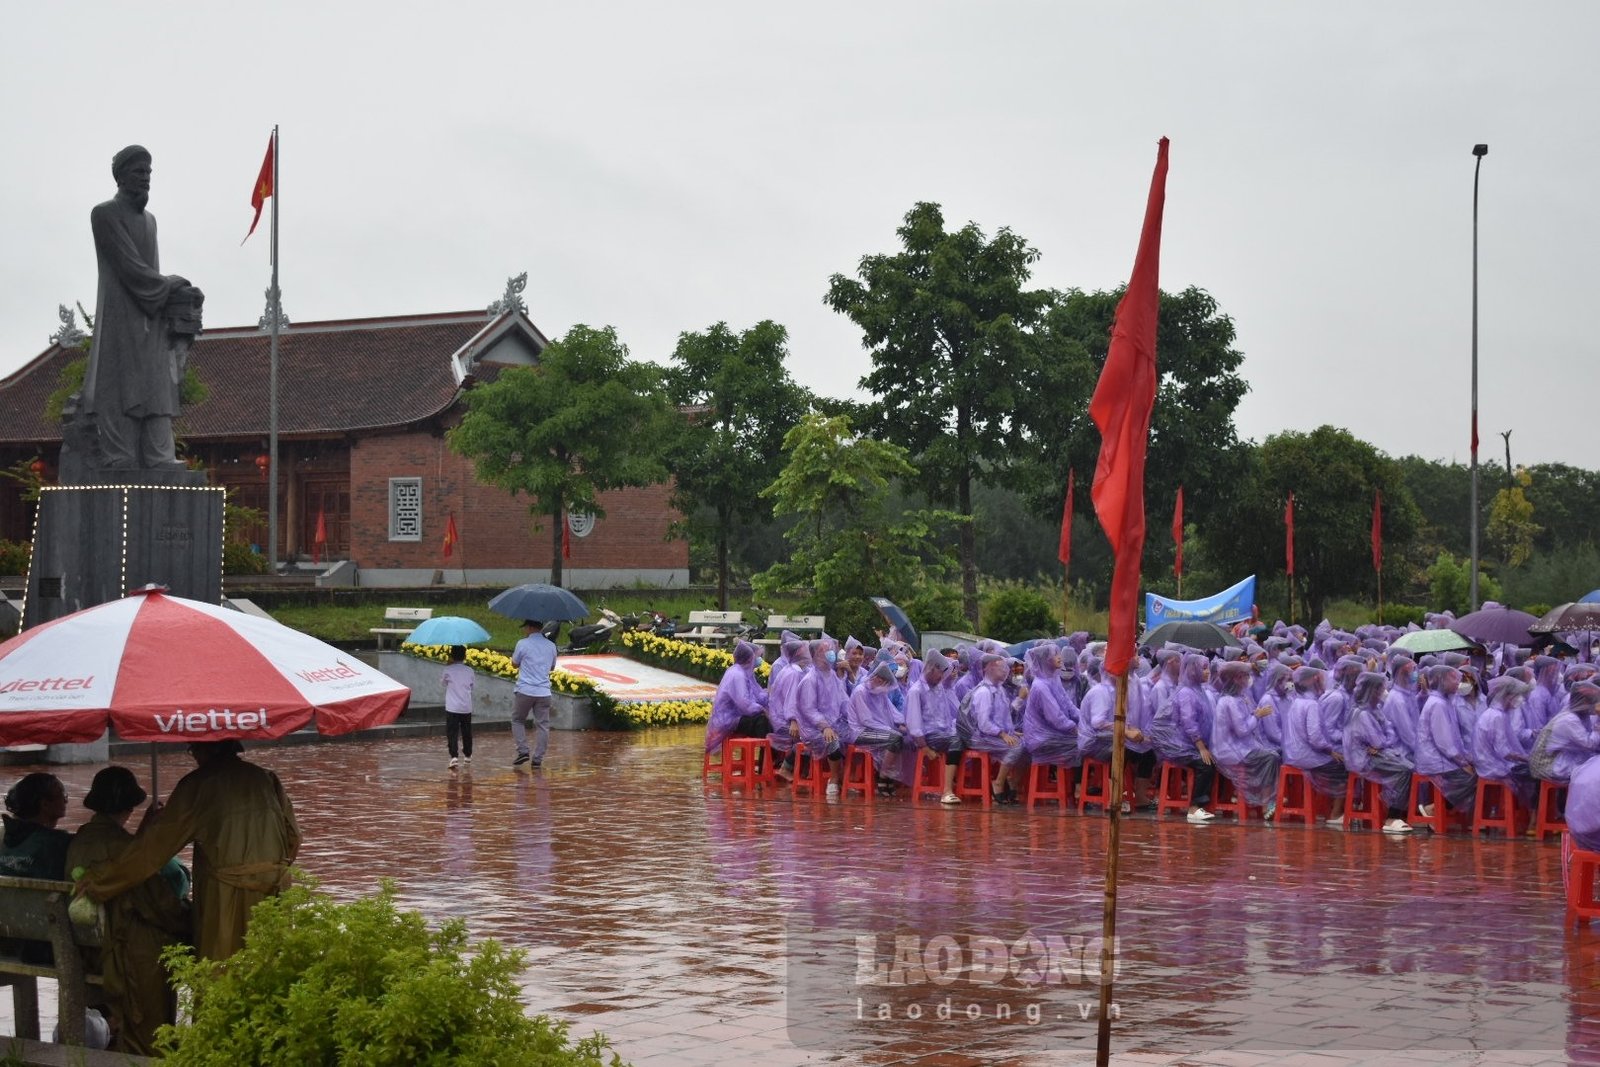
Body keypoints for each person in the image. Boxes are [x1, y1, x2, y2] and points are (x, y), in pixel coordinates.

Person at [81, 741, 299, 962]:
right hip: (276, 890)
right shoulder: (267, 778)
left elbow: (153, 850)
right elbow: (294, 838)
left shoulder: (197, 785)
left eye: (193, 751)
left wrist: (99, 880)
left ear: (204, 750)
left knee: (222, 969)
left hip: (225, 896)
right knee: (273, 967)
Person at [80, 144, 201, 472]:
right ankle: (121, 452)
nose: (145, 178)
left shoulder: (150, 221)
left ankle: (158, 453)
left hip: (151, 314)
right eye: (138, 171)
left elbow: (150, 274)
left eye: (149, 172)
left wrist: (173, 292)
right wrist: (169, 283)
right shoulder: (104, 214)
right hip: (121, 313)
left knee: (155, 381)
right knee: (119, 381)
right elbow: (130, 268)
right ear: (120, 176)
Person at [65, 767, 190, 1056]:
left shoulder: (80, 840)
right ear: (130, 806)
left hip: (87, 949)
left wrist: (142, 837)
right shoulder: (124, 850)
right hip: (124, 951)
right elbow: (160, 906)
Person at [1344, 672, 1414, 834]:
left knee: (1408, 765)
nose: (1384, 692)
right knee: (1404, 770)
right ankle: (1392, 817)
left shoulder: (1374, 710)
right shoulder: (1362, 713)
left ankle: (1396, 810)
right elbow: (1378, 741)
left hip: (1375, 754)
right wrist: (1384, 739)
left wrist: (1384, 739)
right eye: (1381, 689)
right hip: (1364, 759)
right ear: (1373, 691)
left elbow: (1389, 733)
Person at [1211, 661, 1282, 816]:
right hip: (1229, 749)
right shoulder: (1228, 701)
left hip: (1241, 746)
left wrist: (1255, 714)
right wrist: (1257, 716)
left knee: (1272, 753)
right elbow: (1242, 730)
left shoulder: (1240, 697)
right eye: (1245, 676)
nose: (1248, 679)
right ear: (1236, 678)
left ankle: (1267, 799)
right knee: (1271, 757)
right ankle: (1266, 803)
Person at [905, 651, 962, 805]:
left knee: (965, 738)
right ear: (931, 668)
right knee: (956, 741)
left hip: (943, 733)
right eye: (940, 673)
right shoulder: (916, 691)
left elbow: (946, 716)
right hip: (928, 736)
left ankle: (955, 784)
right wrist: (924, 747)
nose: (942, 678)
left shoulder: (938, 689)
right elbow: (914, 724)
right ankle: (947, 790)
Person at [705, 640, 770, 757]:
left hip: (735, 716)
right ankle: (765, 765)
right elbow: (745, 704)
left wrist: (770, 695)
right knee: (763, 723)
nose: (759, 660)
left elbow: (757, 695)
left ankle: (767, 762)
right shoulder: (738, 675)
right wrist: (762, 709)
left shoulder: (745, 672)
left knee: (767, 720)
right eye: (757, 656)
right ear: (749, 658)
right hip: (729, 720)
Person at [0, 773, 71, 879]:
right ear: (45, 804)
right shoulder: (60, 842)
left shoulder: (3, 834)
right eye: (62, 796)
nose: (66, 801)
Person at [510, 619, 557, 768]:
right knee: (543, 725)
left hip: (525, 690)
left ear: (530, 627)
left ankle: (523, 750)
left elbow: (514, 663)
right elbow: (552, 668)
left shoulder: (522, 644)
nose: (525, 630)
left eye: (526, 628)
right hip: (544, 692)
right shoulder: (551, 646)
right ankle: (538, 759)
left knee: (517, 720)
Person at [443, 644, 475, 769]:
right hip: (466, 706)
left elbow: (443, 683)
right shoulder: (469, 670)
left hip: (452, 707)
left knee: (452, 732)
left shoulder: (448, 670)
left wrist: (448, 666)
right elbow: (472, 686)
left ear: (451, 656)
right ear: (464, 656)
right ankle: (468, 755)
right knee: (467, 731)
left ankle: (454, 756)